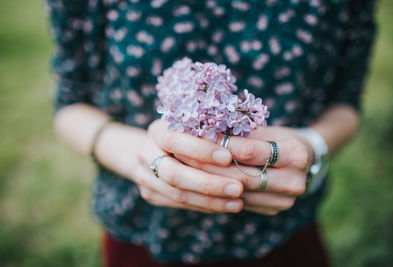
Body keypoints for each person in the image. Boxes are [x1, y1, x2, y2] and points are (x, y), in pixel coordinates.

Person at [48, 0, 376, 266]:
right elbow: (71, 103)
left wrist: (313, 146)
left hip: (281, 232)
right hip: (142, 232)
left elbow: (345, 101)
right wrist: (137, 158)